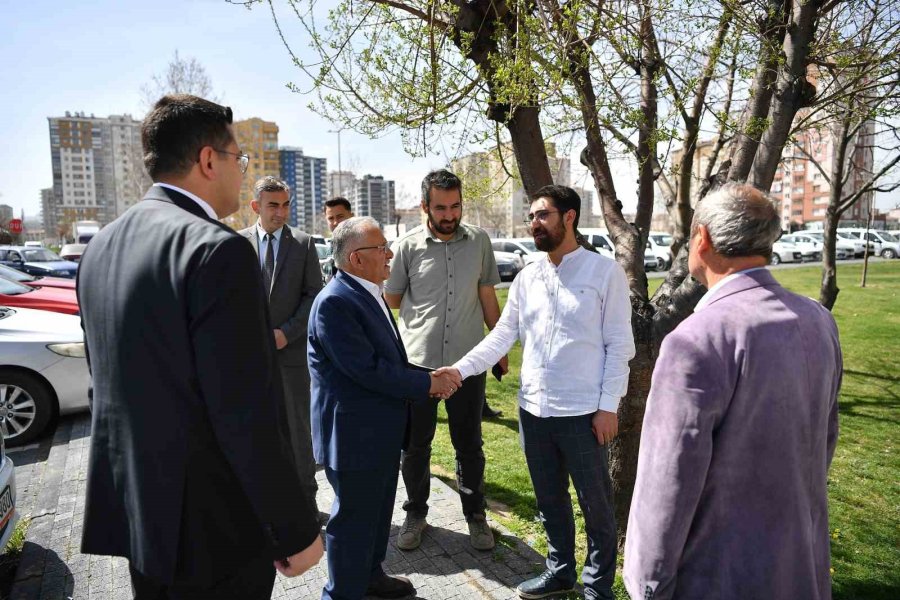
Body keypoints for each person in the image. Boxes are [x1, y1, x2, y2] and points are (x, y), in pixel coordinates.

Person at [77, 94, 323, 599]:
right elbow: (245, 413)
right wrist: (294, 528)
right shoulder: (219, 250)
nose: (242, 171)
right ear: (209, 160)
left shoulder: (100, 246)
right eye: (241, 159)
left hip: (142, 519)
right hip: (215, 531)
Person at [623, 184, 842, 600]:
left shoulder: (696, 339)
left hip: (717, 573)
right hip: (799, 564)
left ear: (701, 238)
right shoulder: (818, 319)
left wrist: (646, 585)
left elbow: (667, 482)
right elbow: (823, 442)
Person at [437, 185, 635, 600]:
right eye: (531, 216)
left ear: (569, 218)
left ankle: (598, 587)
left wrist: (607, 406)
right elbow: (503, 335)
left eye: (542, 215)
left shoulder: (604, 273)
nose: (534, 223)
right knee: (550, 500)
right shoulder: (529, 276)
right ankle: (560, 572)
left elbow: (620, 345)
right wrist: (458, 370)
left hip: (584, 413)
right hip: (534, 411)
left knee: (596, 506)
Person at [308, 216, 458, 600]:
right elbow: (368, 370)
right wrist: (428, 383)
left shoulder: (364, 290)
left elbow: (387, 361)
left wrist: (430, 374)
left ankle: (370, 577)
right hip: (355, 437)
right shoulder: (336, 303)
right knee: (354, 522)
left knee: (375, 517)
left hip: (377, 432)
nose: (390, 254)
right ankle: (341, 594)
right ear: (357, 258)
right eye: (382, 248)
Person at [384, 168, 506, 552]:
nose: (450, 215)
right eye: (441, 207)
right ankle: (415, 513)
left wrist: (499, 347)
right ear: (425, 206)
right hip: (417, 367)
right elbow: (392, 301)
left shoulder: (480, 241)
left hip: (468, 364)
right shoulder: (406, 247)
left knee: (469, 444)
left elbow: (487, 295)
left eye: (455, 206)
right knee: (416, 446)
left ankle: (475, 515)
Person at [239, 176, 323, 499]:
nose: (281, 212)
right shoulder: (235, 243)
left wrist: (285, 334)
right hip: (249, 360)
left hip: (291, 358)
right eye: (273, 205)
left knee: (299, 434)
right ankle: (266, 504)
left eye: (286, 204)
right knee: (256, 433)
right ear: (256, 206)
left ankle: (306, 503)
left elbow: (313, 296)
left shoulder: (303, 244)